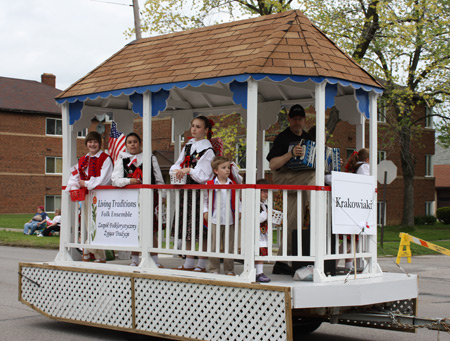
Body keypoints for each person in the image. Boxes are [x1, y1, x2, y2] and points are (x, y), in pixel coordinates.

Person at [266, 104, 315, 275]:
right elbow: (273, 165)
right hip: (285, 177)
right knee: (315, 176)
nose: (297, 122)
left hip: (300, 182)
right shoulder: (282, 137)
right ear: (289, 120)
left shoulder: (309, 138)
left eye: (300, 119)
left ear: (304, 120)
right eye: (294, 119)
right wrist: (291, 153)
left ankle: (281, 262)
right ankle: (317, 211)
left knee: (293, 223)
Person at [111, 132, 166, 268]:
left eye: (135, 141)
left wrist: (163, 195)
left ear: (140, 143)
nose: (132, 144)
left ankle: (155, 260)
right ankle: (135, 259)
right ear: (126, 145)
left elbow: (158, 179)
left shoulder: (149, 158)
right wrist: (129, 180)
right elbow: (115, 180)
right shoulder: (122, 158)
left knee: (151, 229)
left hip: (149, 198)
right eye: (129, 142)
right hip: (130, 200)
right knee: (133, 229)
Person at [171, 116, 215, 272]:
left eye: (198, 127)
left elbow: (204, 175)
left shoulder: (208, 150)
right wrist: (177, 170)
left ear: (206, 130)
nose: (194, 129)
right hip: (187, 192)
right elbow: (177, 163)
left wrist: (189, 170)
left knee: (201, 229)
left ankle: (201, 263)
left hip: (201, 194)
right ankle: (189, 262)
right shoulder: (189, 146)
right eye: (193, 126)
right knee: (187, 228)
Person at [66, 131, 113, 263]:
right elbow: (76, 176)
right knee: (89, 225)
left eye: (95, 142)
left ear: (100, 143)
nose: (93, 144)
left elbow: (104, 179)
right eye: (90, 142)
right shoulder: (83, 159)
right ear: (86, 143)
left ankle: (87, 250)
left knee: (99, 225)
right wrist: (73, 186)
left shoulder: (105, 158)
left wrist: (85, 183)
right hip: (87, 196)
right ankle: (99, 256)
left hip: (102, 197)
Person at [204, 156, 241, 276]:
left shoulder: (233, 184)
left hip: (229, 219)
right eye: (223, 168)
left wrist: (239, 210)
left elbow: (238, 200)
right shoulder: (209, 184)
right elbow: (205, 200)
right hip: (215, 219)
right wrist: (205, 211)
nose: (227, 170)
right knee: (214, 245)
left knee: (229, 246)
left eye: (228, 168)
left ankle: (229, 269)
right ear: (216, 170)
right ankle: (213, 269)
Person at [342, 148, 370, 270]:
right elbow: (365, 184)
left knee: (351, 237)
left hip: (351, 204)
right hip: (357, 206)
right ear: (368, 159)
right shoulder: (364, 167)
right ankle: (332, 262)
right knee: (352, 239)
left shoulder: (355, 167)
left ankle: (348, 264)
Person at [255, 179, 272, 283]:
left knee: (262, 252)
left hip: (263, 233)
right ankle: (258, 272)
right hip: (255, 234)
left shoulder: (264, 205)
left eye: (267, 191)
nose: (266, 194)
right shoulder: (254, 204)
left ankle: (259, 271)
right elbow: (257, 219)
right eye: (263, 191)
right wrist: (266, 214)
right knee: (258, 252)